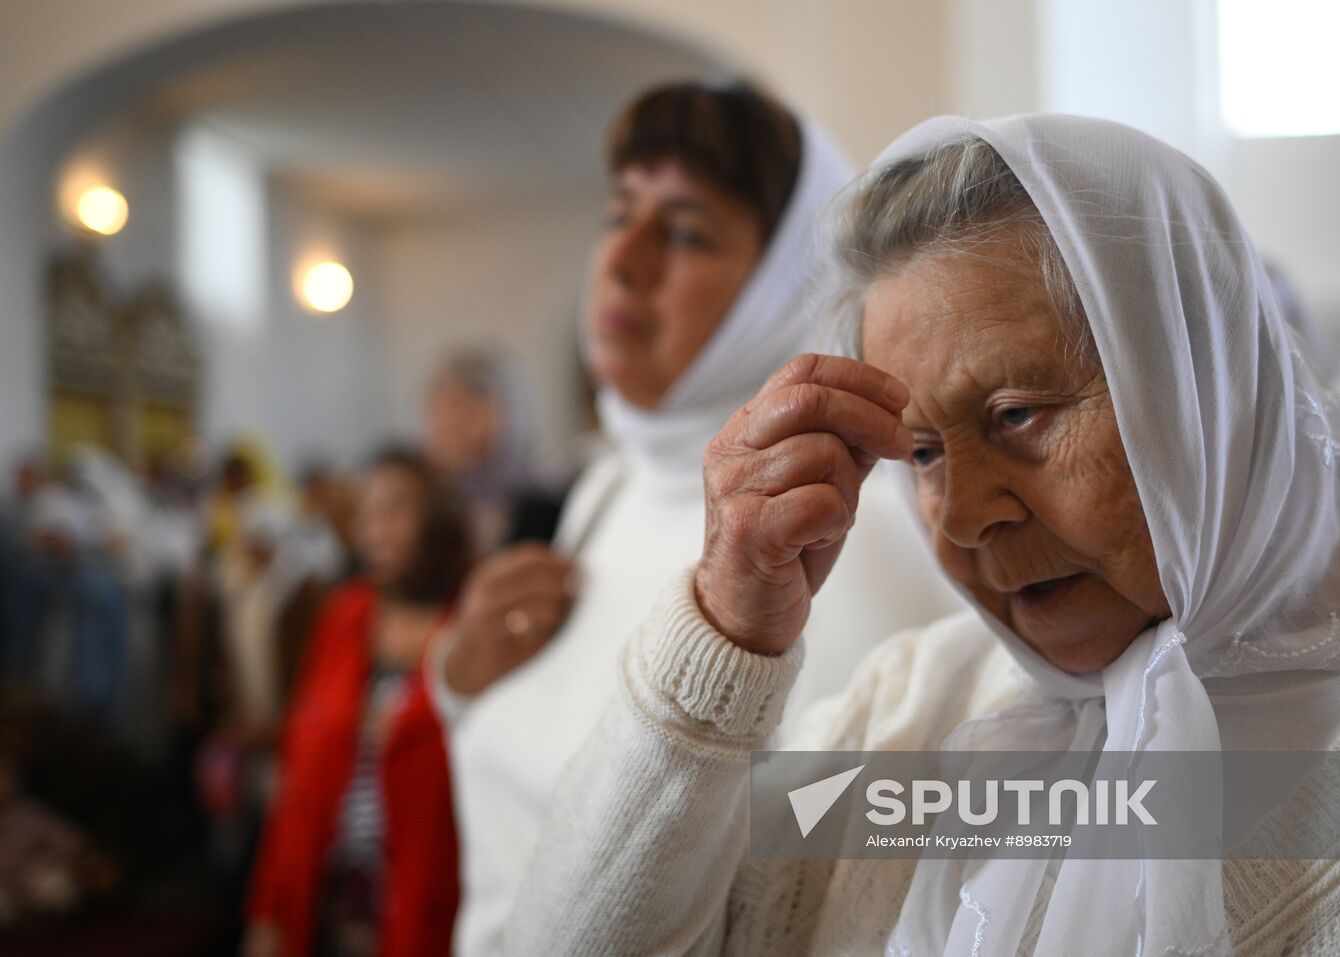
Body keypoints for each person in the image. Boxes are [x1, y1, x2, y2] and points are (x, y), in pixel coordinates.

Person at [498, 115, 1340, 955]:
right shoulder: (911, 716)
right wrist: (725, 632)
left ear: (1207, 388)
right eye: (923, 452)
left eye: (1018, 415)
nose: (967, 516)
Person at [430, 81, 965, 955]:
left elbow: (811, 882)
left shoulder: (837, 529)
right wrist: (460, 687)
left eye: (684, 231)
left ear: (787, 281)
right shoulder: (607, 489)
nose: (624, 259)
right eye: (618, 215)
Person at [245, 448, 467, 957]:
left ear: (438, 517)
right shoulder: (344, 617)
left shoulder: (470, 625)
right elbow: (297, 777)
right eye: (365, 513)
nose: (375, 530)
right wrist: (268, 910)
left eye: (395, 510)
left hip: (428, 907)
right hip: (328, 898)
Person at [423, 351, 565, 555]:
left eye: (462, 408)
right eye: (437, 411)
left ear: (498, 412)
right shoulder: (429, 497)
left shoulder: (536, 496)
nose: (448, 424)